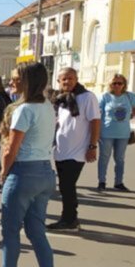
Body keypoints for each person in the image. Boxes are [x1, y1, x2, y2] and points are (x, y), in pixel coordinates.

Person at [0, 62, 60, 267]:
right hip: (45, 171)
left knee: (10, 230)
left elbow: (12, 147)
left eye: (15, 79)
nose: (11, 82)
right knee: (37, 232)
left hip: (24, 171)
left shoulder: (24, 110)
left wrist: (4, 171)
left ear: (27, 82)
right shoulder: (47, 106)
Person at [49, 67, 100, 231]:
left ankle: (69, 219)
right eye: (64, 79)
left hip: (77, 151)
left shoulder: (87, 97)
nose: (67, 82)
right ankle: (71, 218)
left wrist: (92, 146)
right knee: (65, 187)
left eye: (70, 78)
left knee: (68, 185)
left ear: (76, 80)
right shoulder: (60, 99)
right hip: (61, 151)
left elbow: (95, 122)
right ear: (58, 81)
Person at [97, 73, 135, 191]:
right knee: (104, 158)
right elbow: (97, 113)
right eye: (114, 83)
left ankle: (118, 182)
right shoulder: (105, 97)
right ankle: (102, 182)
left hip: (123, 134)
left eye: (119, 83)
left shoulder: (129, 96)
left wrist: (134, 113)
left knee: (120, 159)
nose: (117, 85)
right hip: (106, 133)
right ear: (110, 84)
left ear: (124, 85)